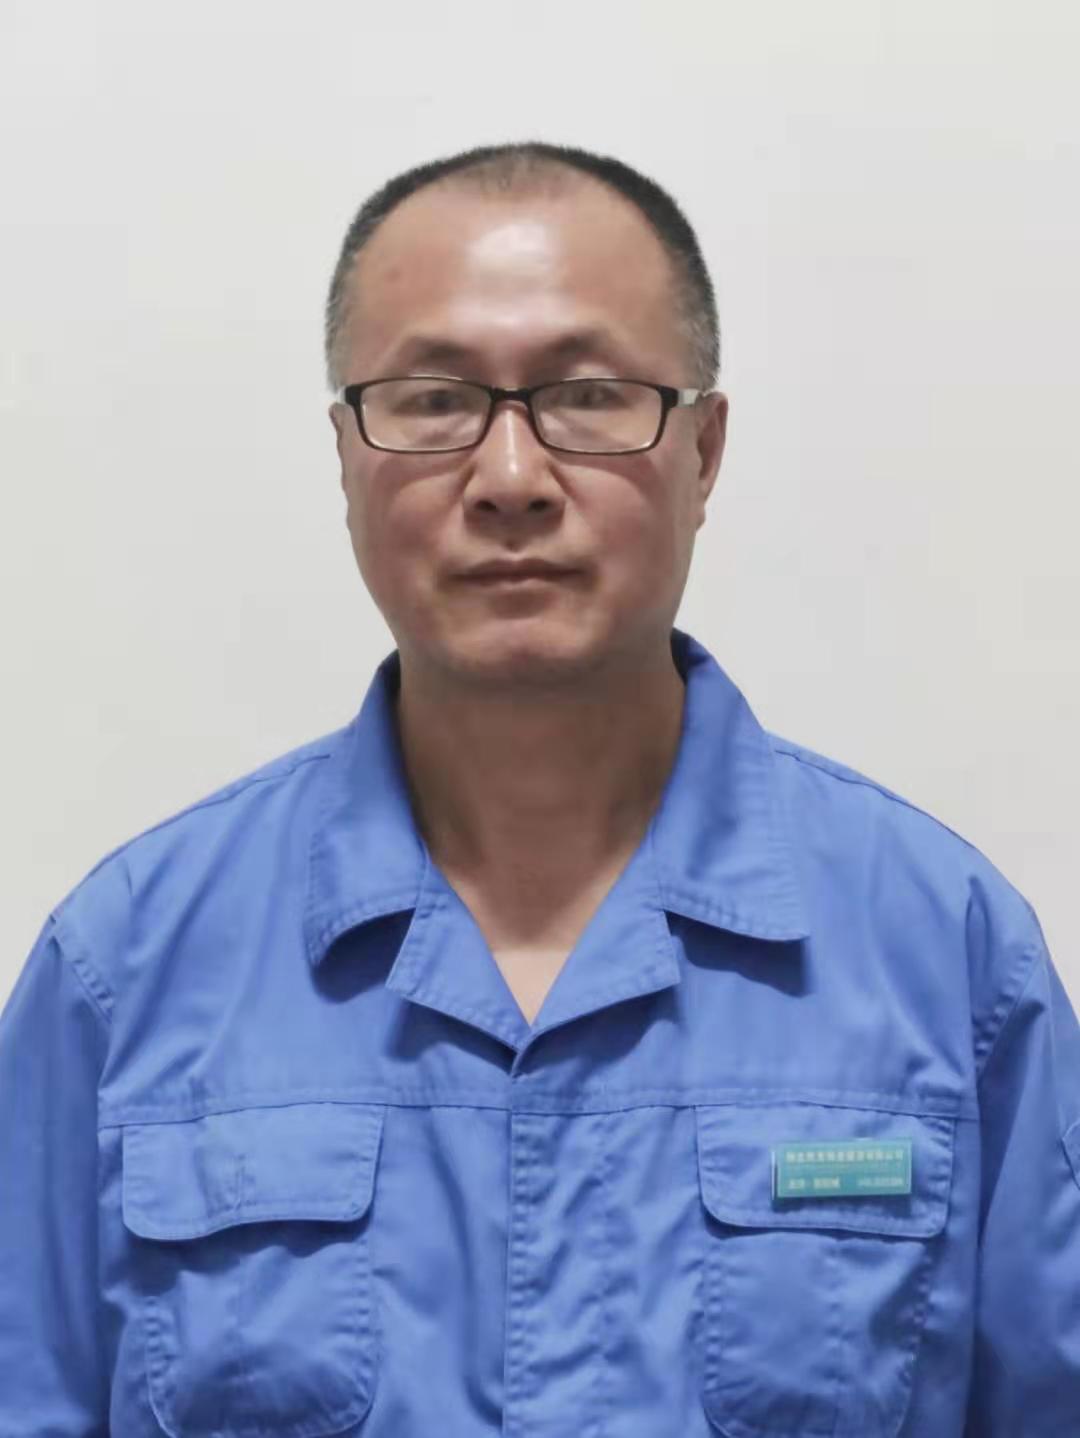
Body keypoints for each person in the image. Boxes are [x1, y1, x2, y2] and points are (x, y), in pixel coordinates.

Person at [1, 139, 1077, 1438]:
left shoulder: (947, 959)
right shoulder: (127, 971)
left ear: (705, 450)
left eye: (589, 396)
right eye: (432, 400)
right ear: (345, 454)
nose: (511, 480)